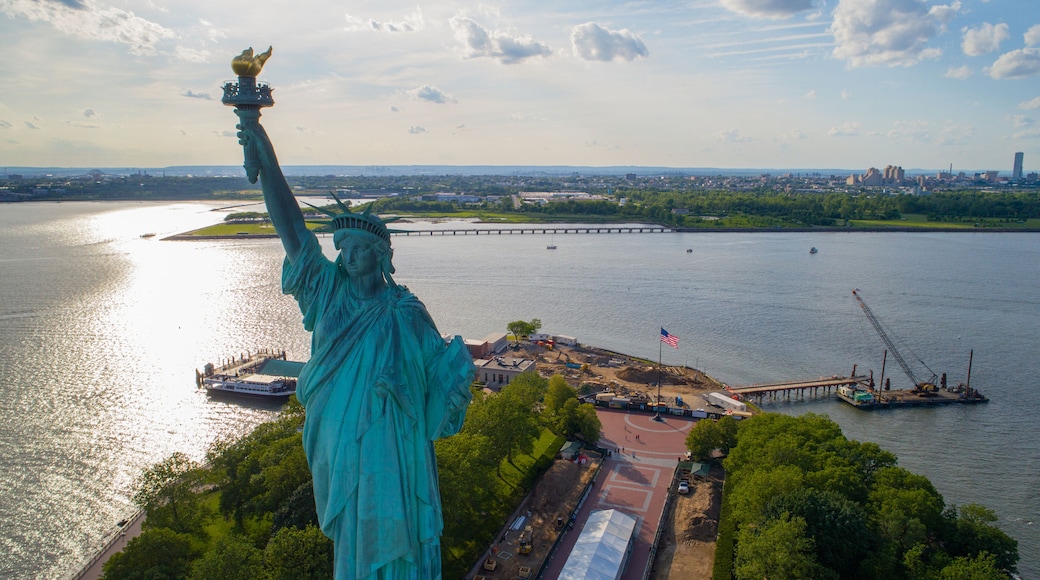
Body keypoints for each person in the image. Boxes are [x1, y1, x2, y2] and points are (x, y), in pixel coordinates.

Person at [236, 117, 474, 579]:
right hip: (339, 439)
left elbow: (437, 377)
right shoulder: (327, 291)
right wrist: (266, 157)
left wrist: (456, 372)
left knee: (393, 531)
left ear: (380, 256)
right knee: (353, 535)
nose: (346, 257)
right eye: (342, 248)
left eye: (358, 249)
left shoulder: (405, 311)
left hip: (394, 446)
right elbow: (293, 232)